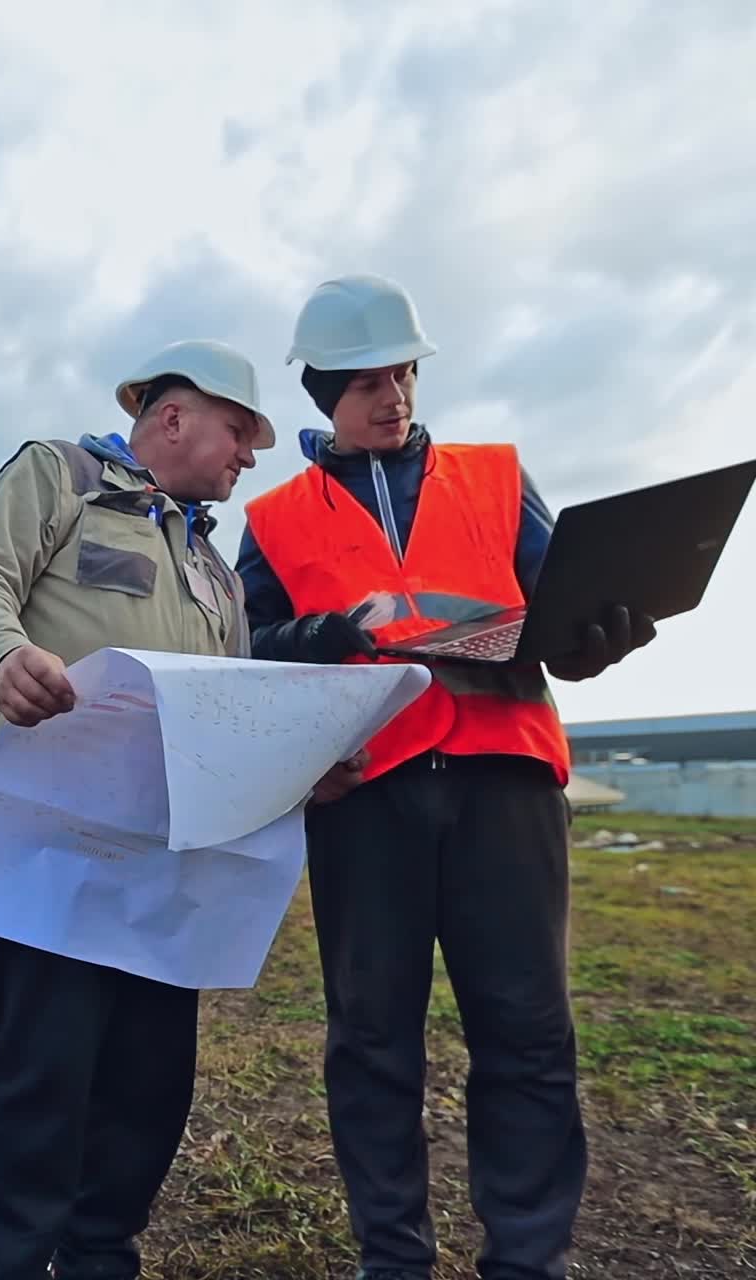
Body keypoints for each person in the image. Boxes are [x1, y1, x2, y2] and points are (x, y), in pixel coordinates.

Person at [236, 274, 656, 1280]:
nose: (393, 395)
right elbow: (241, 648)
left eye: (404, 372)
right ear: (322, 395)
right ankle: (392, 1257)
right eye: (367, 381)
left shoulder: (497, 477)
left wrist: (594, 635)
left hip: (502, 784)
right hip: (364, 793)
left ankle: (526, 1257)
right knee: (371, 1035)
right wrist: (327, 638)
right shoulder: (275, 518)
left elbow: (565, 610)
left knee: (523, 1026)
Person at [0, 339, 292, 1280]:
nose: (249, 456)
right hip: (58, 847)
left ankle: (102, 1257)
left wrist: (300, 764)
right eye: (239, 432)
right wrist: (1, 657)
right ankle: (8, 1264)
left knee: (149, 1086)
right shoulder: (60, 477)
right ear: (174, 417)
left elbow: (243, 706)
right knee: (41, 1074)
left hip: (173, 863)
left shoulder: (218, 574)